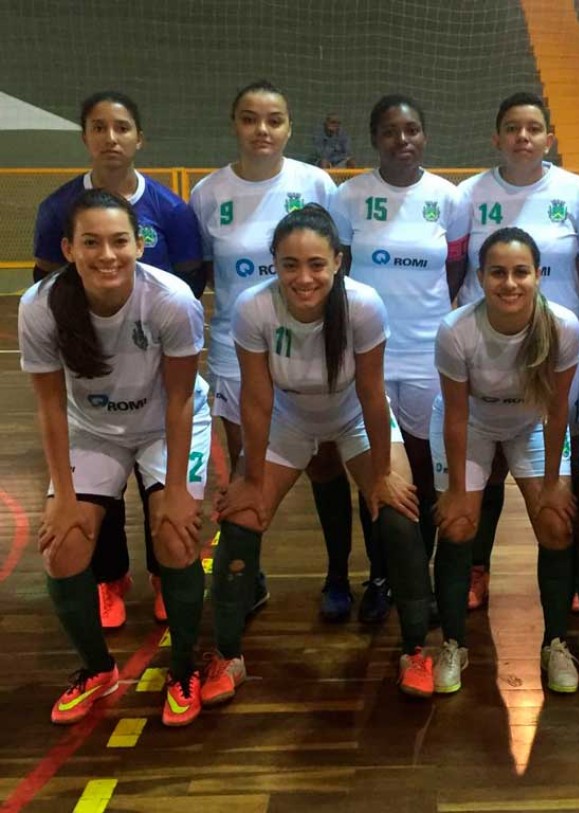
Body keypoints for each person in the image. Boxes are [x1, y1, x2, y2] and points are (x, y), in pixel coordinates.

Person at [201, 204, 435, 703]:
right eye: (289, 264)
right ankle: (226, 655)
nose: (303, 277)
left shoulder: (364, 306)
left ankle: (416, 649)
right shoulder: (253, 308)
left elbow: (373, 393)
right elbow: (258, 398)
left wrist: (381, 475)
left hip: (353, 416)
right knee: (241, 519)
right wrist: (249, 473)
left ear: (338, 262)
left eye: (315, 264)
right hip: (289, 420)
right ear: (274, 264)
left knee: (397, 514)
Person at [19, 189, 210, 726]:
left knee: (174, 536)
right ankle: (97, 670)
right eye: (91, 243)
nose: (107, 254)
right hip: (91, 429)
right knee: (63, 549)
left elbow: (178, 399)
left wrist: (174, 489)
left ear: (140, 243)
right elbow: (51, 406)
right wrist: (61, 496)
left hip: (165, 424)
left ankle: (185, 668)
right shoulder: (39, 306)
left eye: (119, 240)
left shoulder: (171, 299)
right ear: (69, 248)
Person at [32, 91, 204, 629]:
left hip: (155, 371)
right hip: (94, 386)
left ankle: (164, 573)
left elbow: (191, 280)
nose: (111, 138)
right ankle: (108, 578)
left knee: (170, 513)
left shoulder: (170, 210)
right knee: (87, 497)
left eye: (122, 127)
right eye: (99, 128)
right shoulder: (56, 207)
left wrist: (147, 335)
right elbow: (47, 285)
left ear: (138, 138)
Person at [190, 80, 359, 621]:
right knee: (249, 471)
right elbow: (203, 276)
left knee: (327, 464)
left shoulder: (316, 183)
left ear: (288, 126)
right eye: (249, 118)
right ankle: (250, 578)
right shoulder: (208, 193)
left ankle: (337, 576)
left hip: (314, 351)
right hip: (238, 355)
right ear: (234, 124)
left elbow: (339, 263)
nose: (262, 130)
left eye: (274, 119)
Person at [329, 94, 470, 616]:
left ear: (424, 136)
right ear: (375, 138)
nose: (402, 140)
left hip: (430, 354)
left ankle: (421, 574)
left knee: (426, 469)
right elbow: (337, 275)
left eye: (412, 130)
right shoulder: (349, 197)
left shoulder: (449, 198)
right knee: (376, 471)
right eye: (391, 131)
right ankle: (381, 577)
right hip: (368, 355)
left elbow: (453, 271)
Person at [455, 91, 579, 610]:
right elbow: (457, 266)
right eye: (512, 128)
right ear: (496, 137)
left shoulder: (576, 191)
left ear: (549, 138)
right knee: (484, 466)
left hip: (555, 346)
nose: (523, 137)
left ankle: (573, 572)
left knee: (565, 452)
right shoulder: (467, 193)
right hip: (490, 346)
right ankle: (476, 569)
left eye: (533, 128)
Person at [431, 227, 579, 694]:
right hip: (472, 424)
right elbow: (456, 415)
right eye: (498, 273)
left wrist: (556, 481)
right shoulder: (457, 330)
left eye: (521, 272)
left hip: (531, 423)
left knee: (556, 523)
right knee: (457, 526)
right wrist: (457, 490)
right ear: (480, 277)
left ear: (539, 275)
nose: (509, 283)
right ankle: (453, 643)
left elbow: (558, 409)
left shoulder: (562, 326)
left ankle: (556, 642)